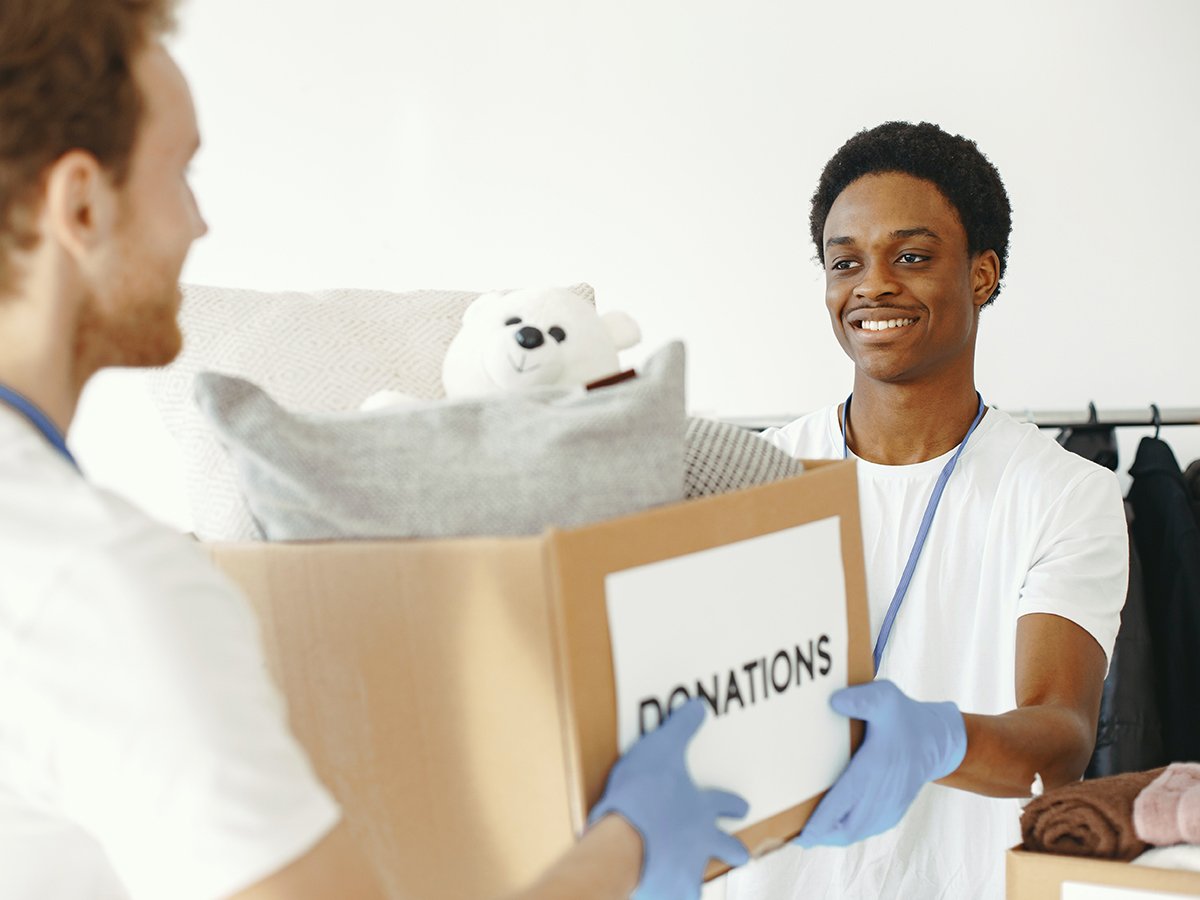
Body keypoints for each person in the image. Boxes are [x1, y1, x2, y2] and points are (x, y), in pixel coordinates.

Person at [0, 1, 748, 898]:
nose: (199, 224)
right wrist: (631, 842)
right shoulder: (104, 584)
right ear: (82, 204)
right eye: (181, 173)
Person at [725, 122, 1129, 899]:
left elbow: (1062, 740)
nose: (872, 286)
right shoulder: (754, 479)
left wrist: (939, 739)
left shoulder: (1063, 494)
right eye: (845, 262)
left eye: (911, 257)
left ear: (982, 274)